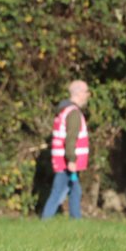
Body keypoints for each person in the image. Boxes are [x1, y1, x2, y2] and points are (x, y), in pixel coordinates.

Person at [40, 80, 91, 220]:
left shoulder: (64, 111)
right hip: (67, 161)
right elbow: (71, 139)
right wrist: (71, 159)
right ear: (79, 93)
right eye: (86, 92)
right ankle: (45, 221)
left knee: (75, 190)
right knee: (58, 192)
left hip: (63, 159)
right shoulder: (73, 113)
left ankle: (76, 220)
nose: (88, 95)